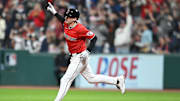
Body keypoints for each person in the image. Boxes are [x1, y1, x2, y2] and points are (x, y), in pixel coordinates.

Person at [46, 2, 125, 101]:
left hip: (80, 56)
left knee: (65, 79)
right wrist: (54, 12)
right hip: (75, 56)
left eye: (69, 17)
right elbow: (62, 20)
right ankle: (117, 80)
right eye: (66, 16)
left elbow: (94, 38)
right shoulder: (66, 23)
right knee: (91, 79)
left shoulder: (80, 28)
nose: (66, 18)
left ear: (75, 19)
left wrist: (87, 52)